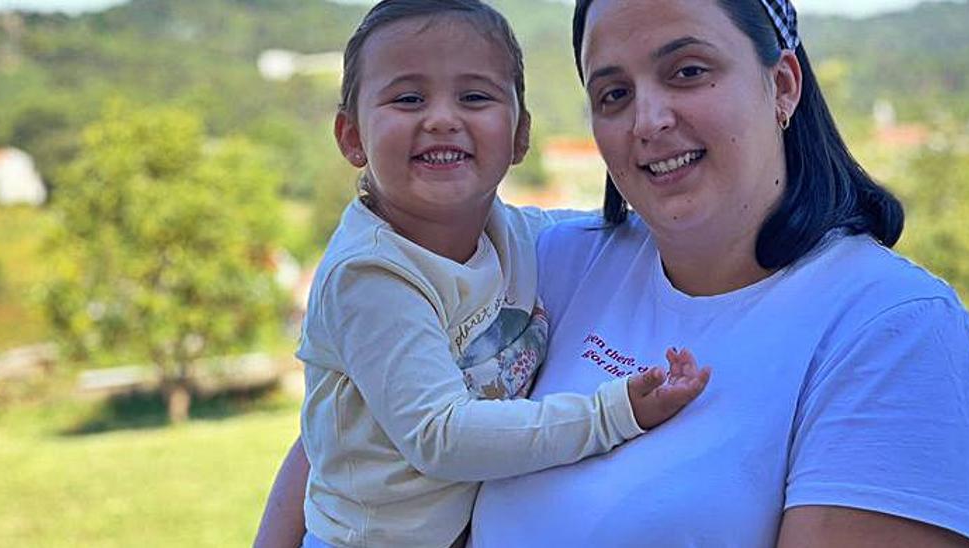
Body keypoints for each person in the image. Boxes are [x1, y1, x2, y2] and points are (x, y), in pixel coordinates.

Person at [259, 0, 969, 546]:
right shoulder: (551, 261)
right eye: (613, 93)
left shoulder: (891, 331)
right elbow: (354, 415)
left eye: (687, 71)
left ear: (781, 86)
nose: (648, 119)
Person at [283, 1, 712, 547]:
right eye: (408, 97)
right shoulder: (369, 275)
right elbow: (441, 437)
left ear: (519, 135)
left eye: (475, 97)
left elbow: (612, 228)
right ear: (351, 137)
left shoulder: (511, 234)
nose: (442, 118)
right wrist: (613, 413)